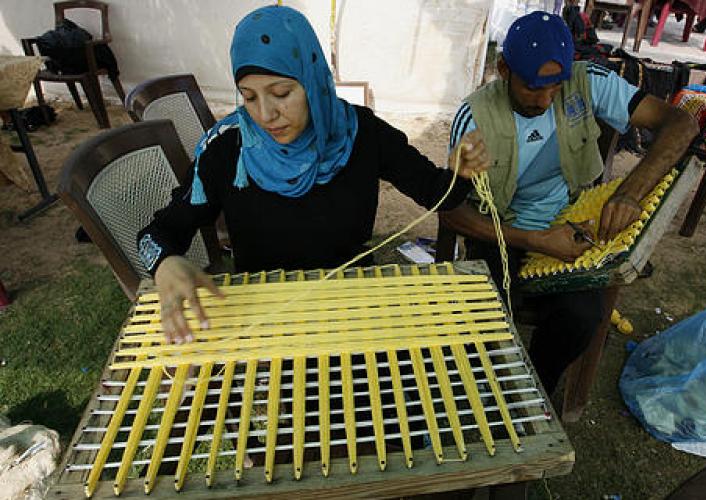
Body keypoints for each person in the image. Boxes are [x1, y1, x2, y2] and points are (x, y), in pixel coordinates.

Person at [137, 5, 489, 344]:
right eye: (249, 97)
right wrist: (165, 263)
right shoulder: (228, 150)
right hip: (267, 317)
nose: (266, 114)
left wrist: (460, 174)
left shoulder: (360, 134)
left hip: (351, 305)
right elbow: (155, 235)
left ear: (312, 77)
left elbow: (435, 191)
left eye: (281, 93)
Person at [442, 11, 699, 396]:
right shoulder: (474, 116)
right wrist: (536, 240)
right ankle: (487, 396)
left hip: (569, 219)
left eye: (556, 86)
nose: (546, 100)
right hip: (498, 230)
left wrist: (630, 192)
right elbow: (450, 211)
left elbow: (682, 125)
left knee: (582, 316)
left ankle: (535, 392)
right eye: (533, 88)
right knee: (488, 323)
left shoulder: (588, 81)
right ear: (503, 69)